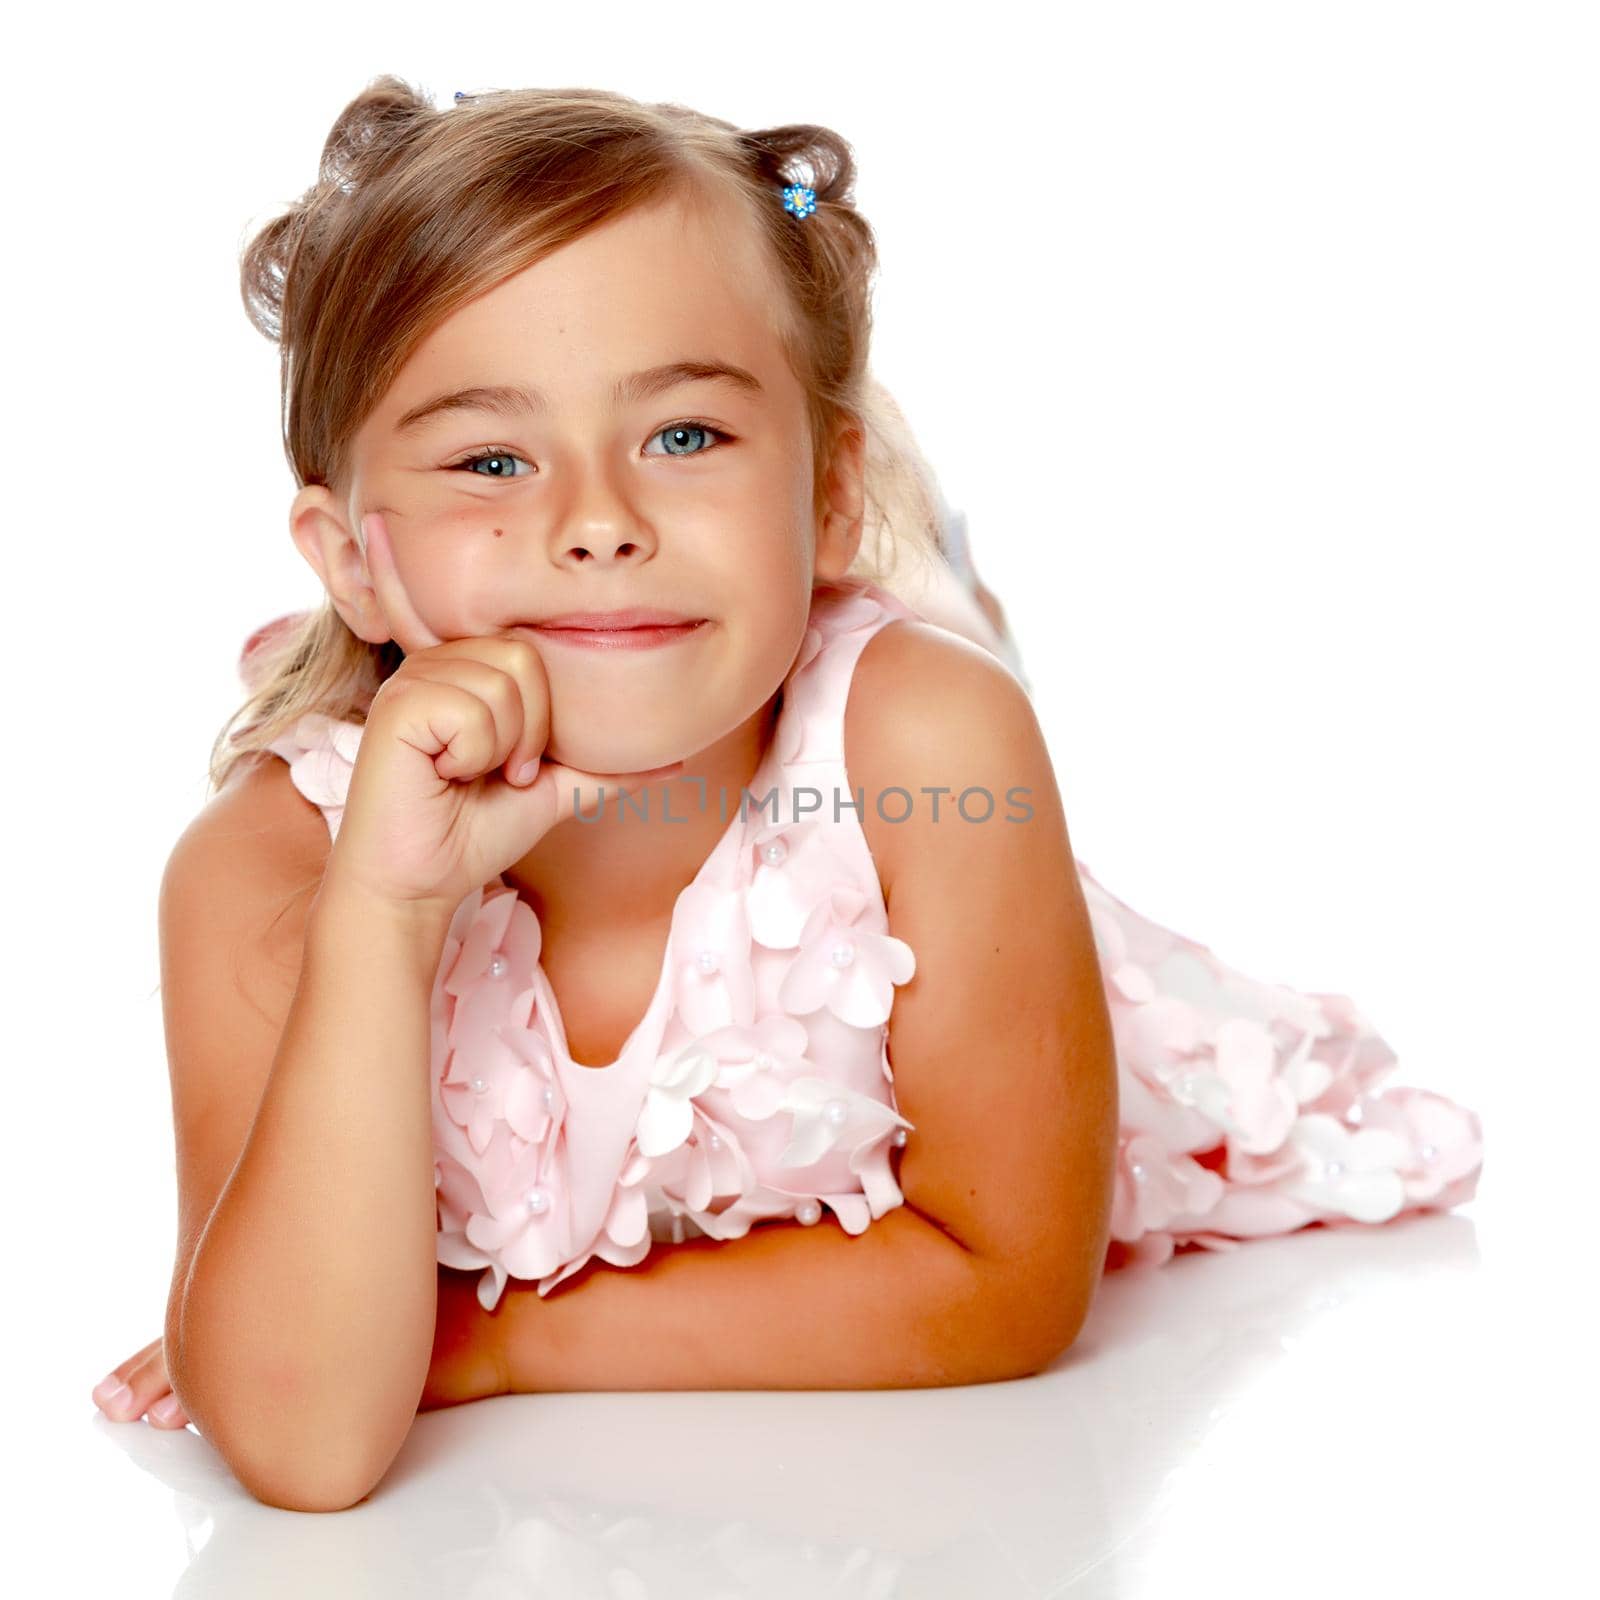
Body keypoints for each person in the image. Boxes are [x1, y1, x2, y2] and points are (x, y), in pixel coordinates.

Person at [89, 77, 1483, 1509]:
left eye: (683, 436)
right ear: (351, 558)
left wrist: (497, 1342)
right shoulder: (263, 869)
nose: (598, 525)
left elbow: (1002, 1278)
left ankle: (933, 569)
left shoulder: (931, 752)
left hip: (859, 730)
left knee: (949, 665)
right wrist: (386, 916)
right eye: (492, 460)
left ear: (825, 493)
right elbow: (302, 1441)